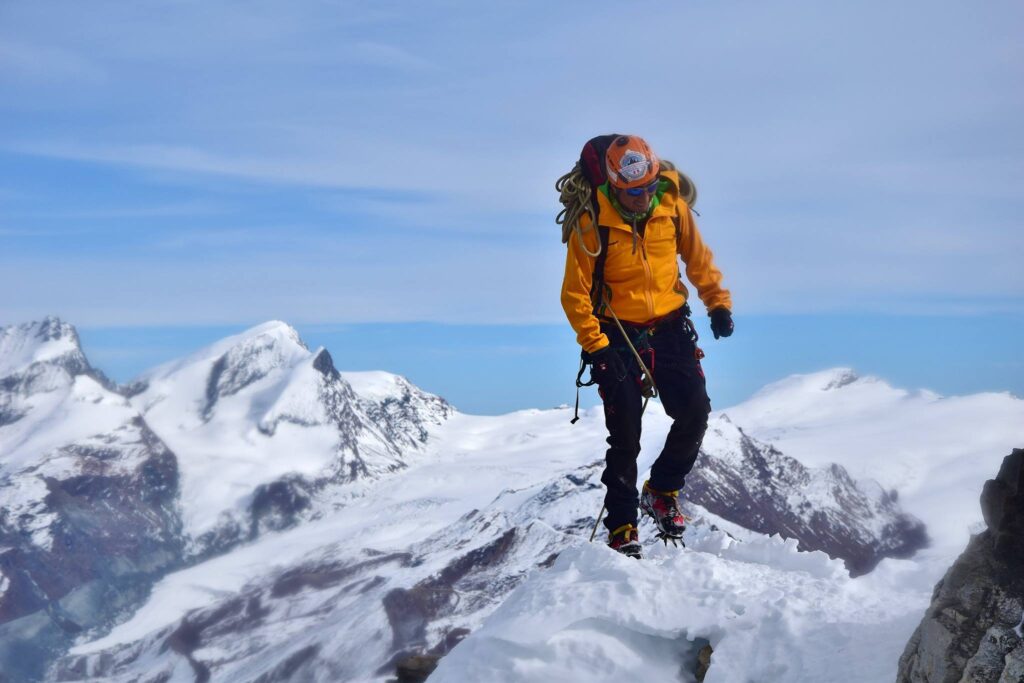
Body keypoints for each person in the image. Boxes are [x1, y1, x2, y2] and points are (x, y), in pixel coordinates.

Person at [560, 134, 733, 559]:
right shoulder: (592, 222)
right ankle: (622, 527)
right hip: (615, 333)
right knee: (625, 435)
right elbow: (574, 295)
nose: (644, 198)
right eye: (634, 192)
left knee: (694, 412)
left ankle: (661, 490)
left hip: (670, 326)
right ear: (615, 186)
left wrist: (717, 303)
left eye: (649, 187)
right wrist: (597, 347)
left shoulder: (672, 207)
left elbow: (698, 259)